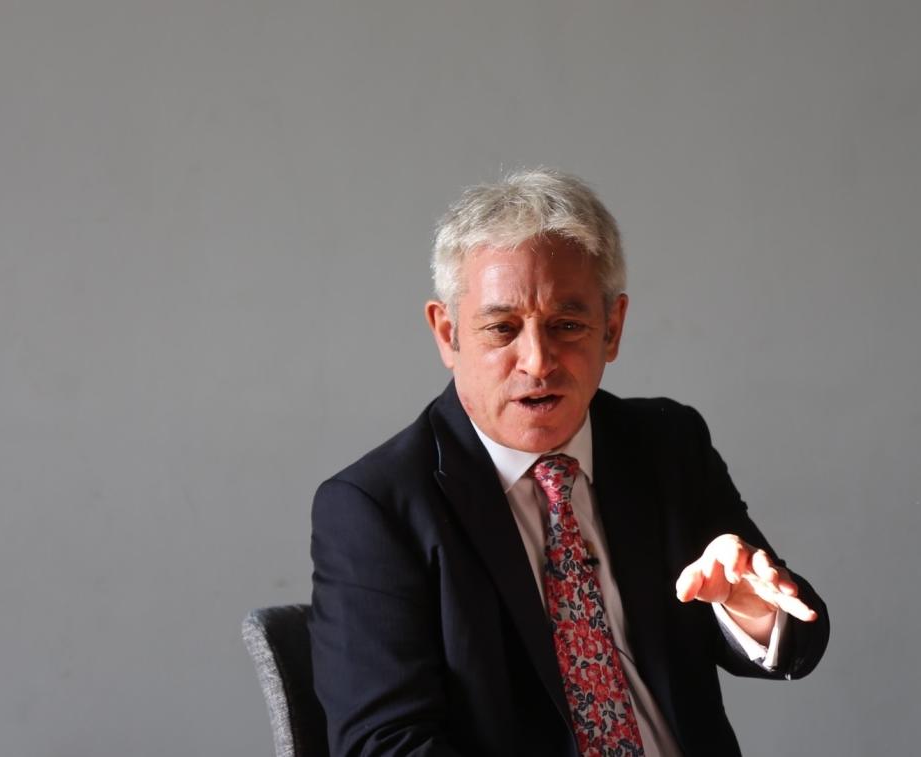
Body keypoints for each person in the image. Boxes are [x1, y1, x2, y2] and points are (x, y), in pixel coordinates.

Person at [309, 169, 828, 757]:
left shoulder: (665, 444)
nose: (537, 361)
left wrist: (752, 611)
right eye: (502, 329)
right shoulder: (375, 507)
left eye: (568, 326)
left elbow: (801, 636)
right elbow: (384, 746)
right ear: (448, 334)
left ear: (612, 329)